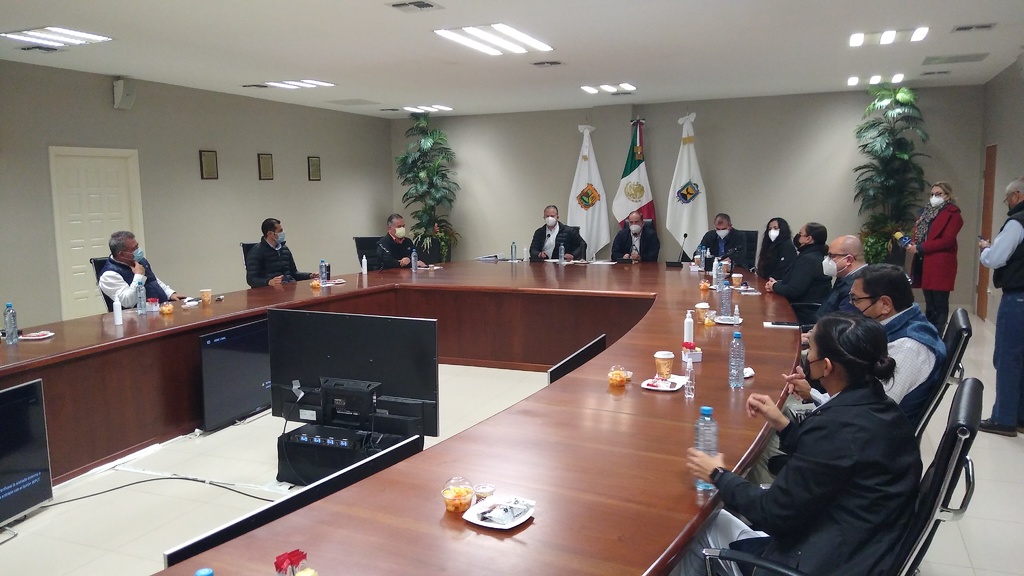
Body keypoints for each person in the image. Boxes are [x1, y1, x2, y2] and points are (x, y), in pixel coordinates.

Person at [678, 313, 921, 576]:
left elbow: (772, 513)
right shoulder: (883, 409)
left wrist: (717, 474)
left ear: (826, 367)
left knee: (697, 530)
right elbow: (831, 462)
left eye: (811, 350)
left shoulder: (834, 427)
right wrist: (784, 425)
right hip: (863, 545)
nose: (806, 356)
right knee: (719, 518)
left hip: (820, 560)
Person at [978, 177, 1024, 436]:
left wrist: (986, 250)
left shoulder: (1017, 222)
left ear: (1016, 195)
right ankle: (1020, 416)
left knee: (1008, 357)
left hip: (1018, 298)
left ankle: (1004, 419)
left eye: (1008, 198)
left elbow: (996, 258)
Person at [907, 181, 964, 332]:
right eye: (932, 194)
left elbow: (947, 240)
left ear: (948, 196)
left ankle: (938, 334)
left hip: (940, 262)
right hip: (924, 260)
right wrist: (914, 244)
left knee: (939, 302)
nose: (934, 197)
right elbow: (920, 234)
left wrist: (920, 247)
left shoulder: (953, 214)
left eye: (938, 194)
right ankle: (929, 332)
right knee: (929, 302)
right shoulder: (925, 213)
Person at [764, 222, 831, 324]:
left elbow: (793, 291)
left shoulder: (808, 259)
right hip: (803, 309)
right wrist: (777, 283)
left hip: (802, 313)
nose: (797, 236)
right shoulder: (813, 255)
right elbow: (795, 282)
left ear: (808, 239)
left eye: (800, 234)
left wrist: (774, 286)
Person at [99, 230, 185, 309]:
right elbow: (128, 302)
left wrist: (170, 293)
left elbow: (153, 280)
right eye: (134, 249)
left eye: (137, 246)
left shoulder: (140, 261)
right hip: (137, 317)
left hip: (161, 308)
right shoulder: (109, 275)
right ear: (121, 254)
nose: (138, 250)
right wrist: (139, 276)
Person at [245, 218, 314, 287]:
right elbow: (251, 279)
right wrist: (269, 282)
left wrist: (309, 275)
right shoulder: (256, 251)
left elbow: (293, 273)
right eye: (280, 231)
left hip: (288, 287)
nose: (282, 233)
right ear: (270, 233)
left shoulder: (284, 249)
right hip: (270, 291)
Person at [816, 234, 867, 319]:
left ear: (849, 260)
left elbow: (843, 322)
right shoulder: (843, 277)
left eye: (831, 256)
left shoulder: (857, 285)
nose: (826, 260)